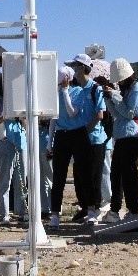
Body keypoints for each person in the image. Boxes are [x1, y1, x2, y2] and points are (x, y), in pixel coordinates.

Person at [101, 58, 138, 223]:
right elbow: (117, 114)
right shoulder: (126, 91)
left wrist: (114, 95)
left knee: (129, 175)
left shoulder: (137, 90)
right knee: (116, 175)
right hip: (121, 136)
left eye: (120, 80)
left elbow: (129, 113)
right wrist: (108, 99)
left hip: (132, 136)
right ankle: (115, 209)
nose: (118, 83)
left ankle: (133, 210)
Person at [48, 65, 90, 230]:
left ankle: (91, 210)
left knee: (82, 173)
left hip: (77, 134)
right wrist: (49, 142)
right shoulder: (55, 95)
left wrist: (65, 93)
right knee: (58, 177)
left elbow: (72, 112)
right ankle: (55, 214)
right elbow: (53, 118)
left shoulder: (78, 92)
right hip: (62, 135)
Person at [67, 53, 106, 225]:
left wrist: (85, 132)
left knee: (93, 176)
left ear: (82, 67)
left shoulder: (95, 88)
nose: (73, 70)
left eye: (75, 66)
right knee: (80, 176)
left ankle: (95, 209)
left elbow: (100, 114)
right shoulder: (77, 90)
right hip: (80, 139)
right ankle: (86, 207)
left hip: (94, 139)